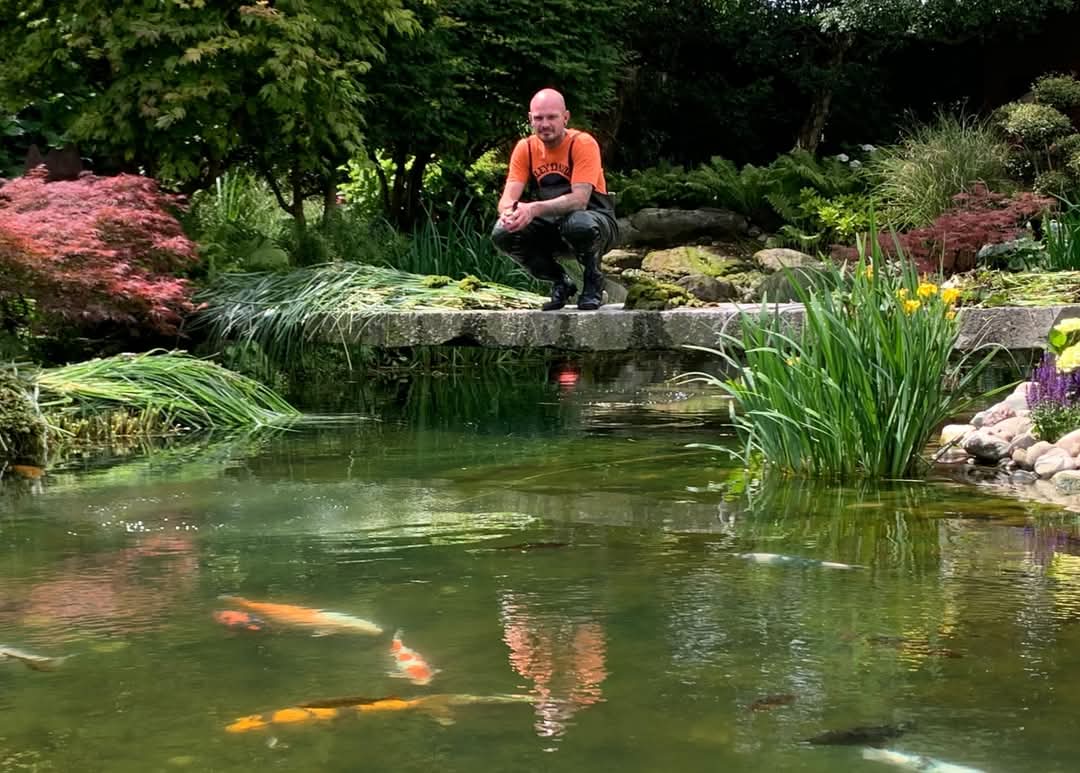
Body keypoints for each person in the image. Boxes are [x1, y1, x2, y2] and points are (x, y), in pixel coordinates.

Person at [492, 89, 618, 311]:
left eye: (552, 117)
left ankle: (593, 282)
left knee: (578, 222)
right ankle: (560, 281)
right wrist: (510, 214)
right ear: (530, 119)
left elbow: (580, 200)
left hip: (596, 223)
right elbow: (506, 200)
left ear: (566, 117)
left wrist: (533, 209)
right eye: (539, 118)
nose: (545, 124)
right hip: (553, 227)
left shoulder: (582, 143)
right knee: (502, 232)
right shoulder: (526, 148)